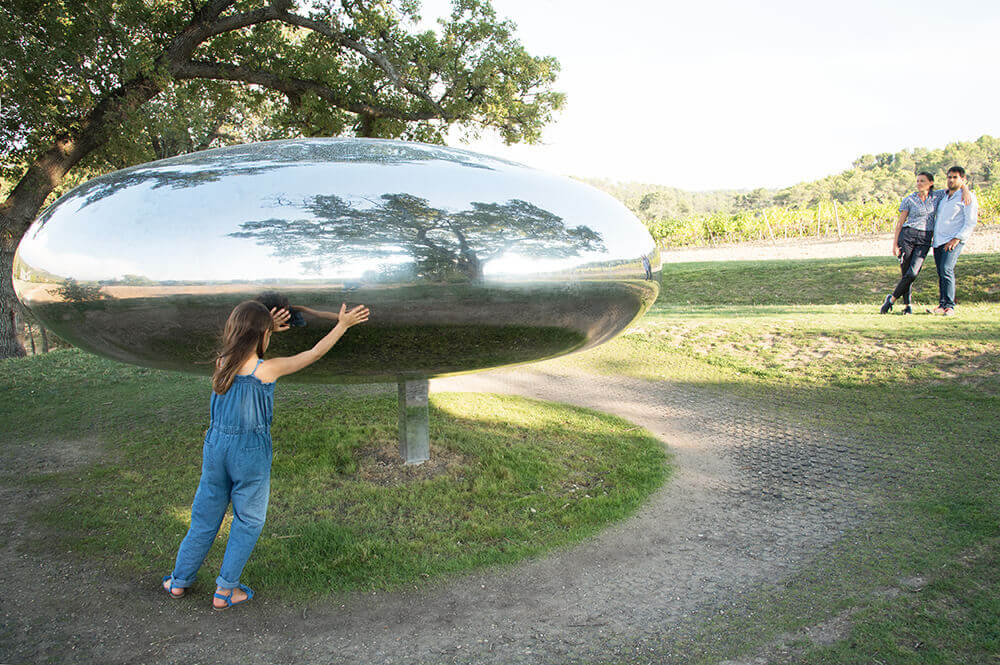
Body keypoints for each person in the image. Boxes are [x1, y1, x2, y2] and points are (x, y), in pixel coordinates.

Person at [161, 299, 370, 609]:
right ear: (261, 337)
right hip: (249, 452)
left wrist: (266, 326)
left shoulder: (222, 362)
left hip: (216, 447)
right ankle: (225, 590)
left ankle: (179, 581)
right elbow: (313, 353)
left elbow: (246, 342)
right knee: (248, 520)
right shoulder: (267, 369)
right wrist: (342, 324)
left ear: (233, 332)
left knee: (204, 519)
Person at [879, 173, 970, 314]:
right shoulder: (909, 200)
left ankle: (891, 299)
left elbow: (956, 185)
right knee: (906, 272)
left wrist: (965, 190)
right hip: (908, 236)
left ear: (931, 183)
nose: (919, 183)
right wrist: (895, 244)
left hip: (925, 238)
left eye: (923, 181)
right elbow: (899, 223)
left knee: (913, 272)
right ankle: (907, 306)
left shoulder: (938, 196)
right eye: (917, 181)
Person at [929, 166, 978, 316]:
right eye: (949, 177)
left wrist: (957, 238)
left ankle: (950, 306)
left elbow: (970, 221)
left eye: (955, 177)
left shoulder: (967, 197)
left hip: (954, 240)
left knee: (946, 269)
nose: (951, 180)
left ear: (962, 180)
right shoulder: (943, 196)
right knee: (941, 272)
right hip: (939, 241)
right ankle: (942, 305)